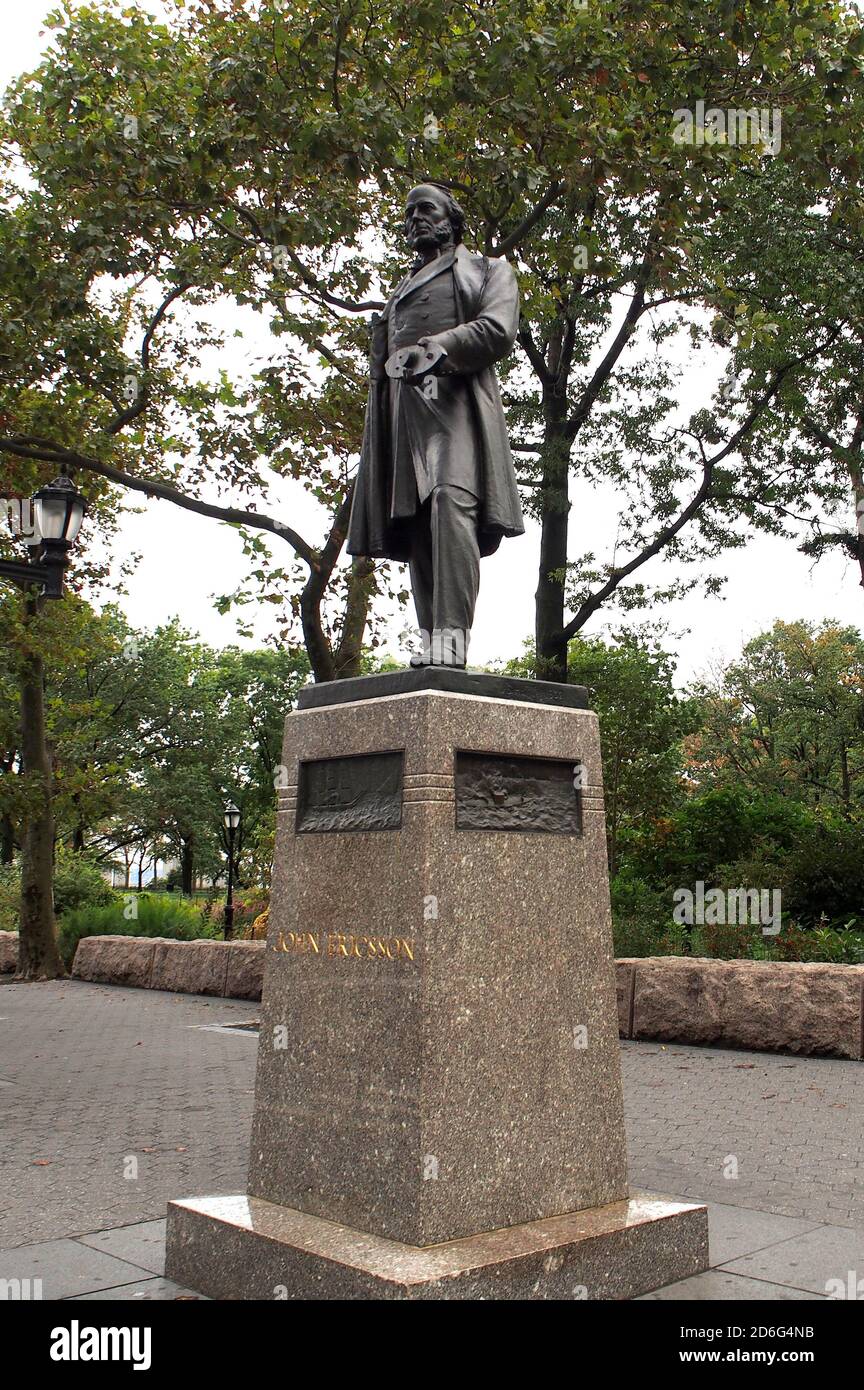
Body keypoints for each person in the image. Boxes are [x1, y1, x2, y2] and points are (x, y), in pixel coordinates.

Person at [347, 182, 524, 667]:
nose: (415, 219)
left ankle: (451, 645)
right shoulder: (398, 291)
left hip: (456, 406)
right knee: (418, 523)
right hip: (404, 416)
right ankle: (435, 648)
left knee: (451, 503)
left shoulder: (489, 270)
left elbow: (496, 330)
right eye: (408, 214)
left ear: (451, 218)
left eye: (426, 210)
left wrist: (434, 348)